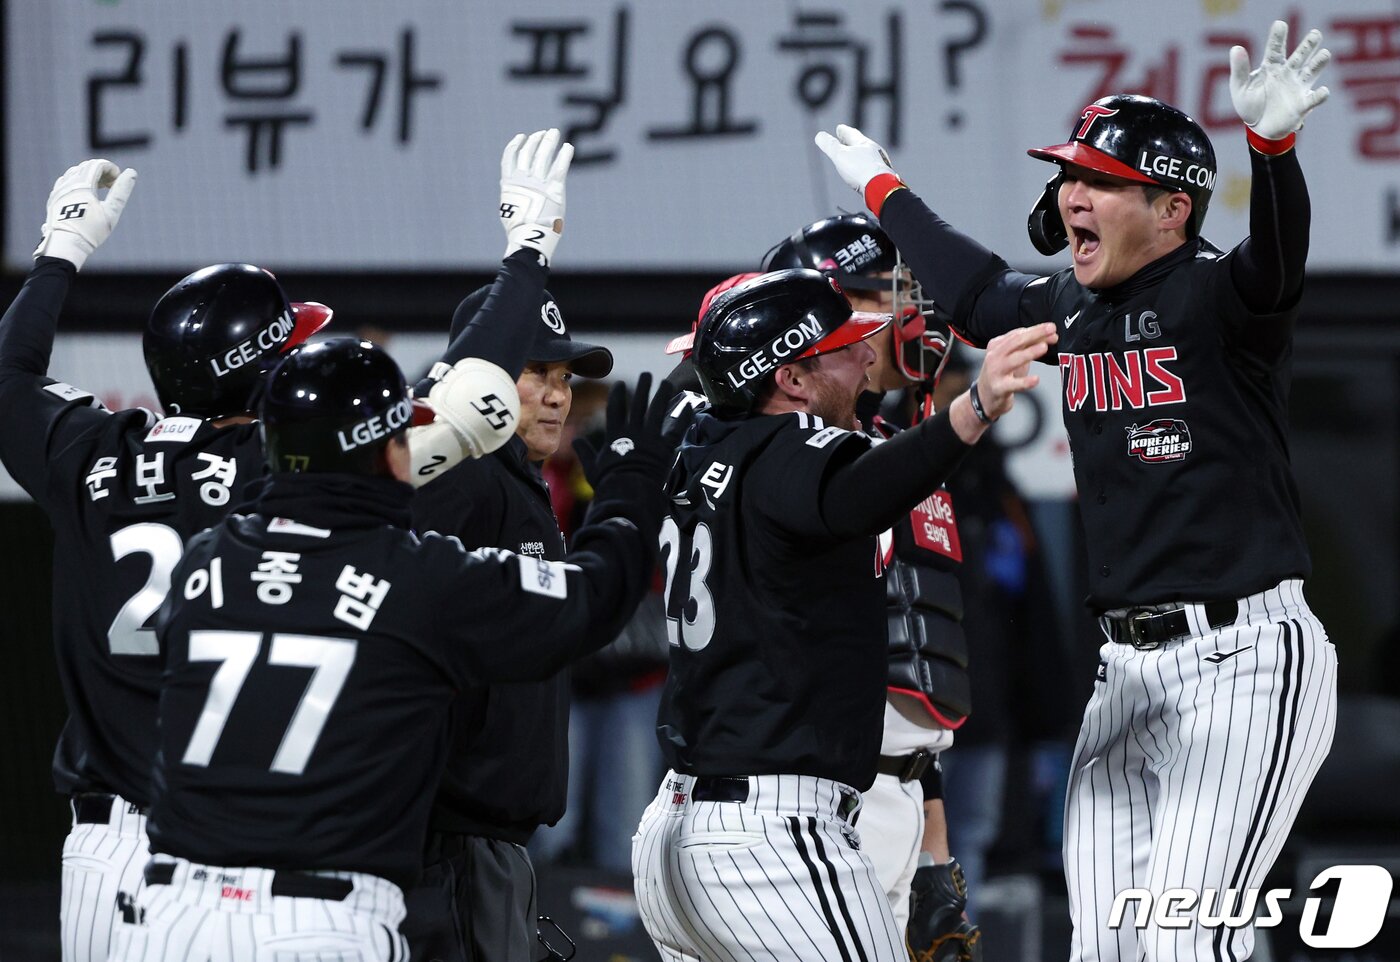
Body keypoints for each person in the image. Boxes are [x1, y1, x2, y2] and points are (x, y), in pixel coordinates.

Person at [816, 20, 1338, 962]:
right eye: (1070, 176)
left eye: (1099, 181)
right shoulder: (1072, 306)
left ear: (1174, 209)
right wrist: (885, 192)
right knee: (1102, 949)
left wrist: (1273, 153)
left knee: (1180, 944)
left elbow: (1279, 264)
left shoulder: (1220, 297)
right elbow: (975, 296)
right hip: (1126, 673)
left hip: (1247, 658)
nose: (1071, 195)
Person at [107, 336, 680, 962]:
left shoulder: (206, 560)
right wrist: (628, 490)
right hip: (319, 916)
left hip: (171, 912)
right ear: (389, 449)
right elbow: (592, 596)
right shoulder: (412, 574)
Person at [632, 268, 1055, 962]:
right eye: (846, 346)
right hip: (773, 839)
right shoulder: (788, 449)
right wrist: (971, 408)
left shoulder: (702, 443)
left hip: (676, 832)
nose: (869, 357)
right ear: (793, 380)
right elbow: (864, 486)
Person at [0, 159, 335, 962]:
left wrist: (59, 253)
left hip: (101, 850)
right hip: (229, 840)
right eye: (286, 348)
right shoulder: (280, 472)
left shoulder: (90, 451)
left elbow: (9, 374)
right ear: (258, 373)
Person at [761, 213, 980, 960]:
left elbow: (916, 661)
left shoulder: (895, 451)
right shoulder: (785, 460)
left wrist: (934, 851)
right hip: (815, 799)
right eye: (877, 299)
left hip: (894, 801)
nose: (903, 316)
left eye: (899, 295)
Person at [404, 285, 615, 962]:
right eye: (536, 375)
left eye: (564, 379)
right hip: (450, 838)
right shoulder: (462, 476)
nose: (558, 396)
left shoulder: (513, 479)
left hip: (484, 839)